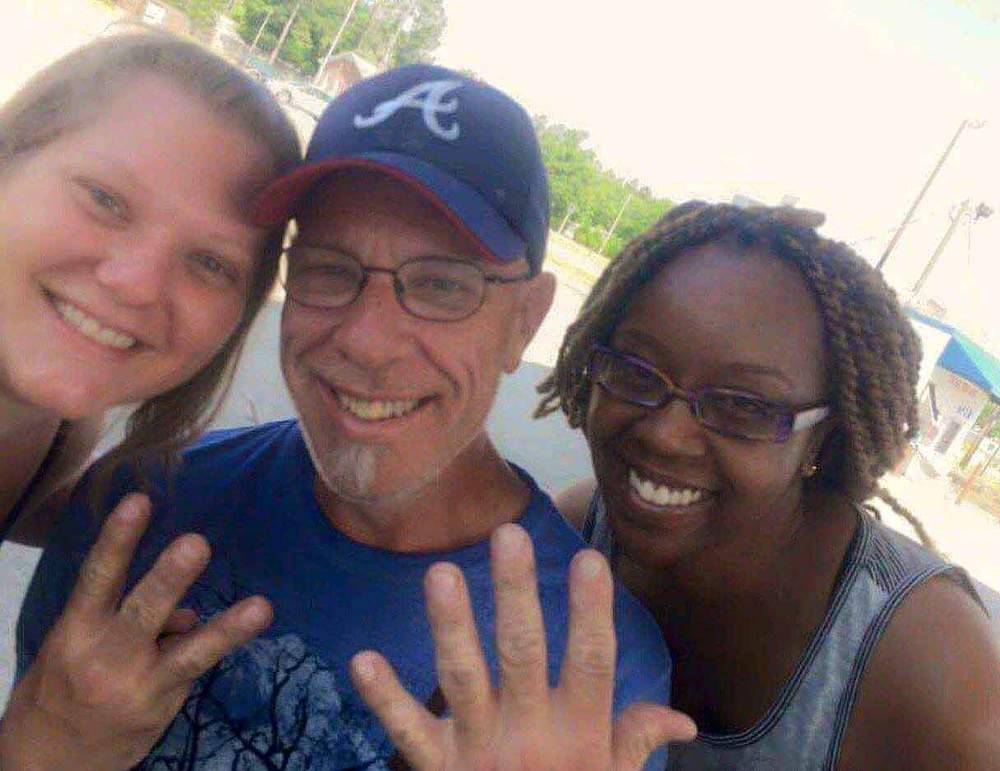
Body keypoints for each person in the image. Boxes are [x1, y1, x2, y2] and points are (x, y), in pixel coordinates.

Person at [17, 64, 692, 771]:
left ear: (526, 320)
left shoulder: (591, 671)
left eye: (440, 284)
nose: (366, 341)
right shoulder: (141, 508)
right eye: (329, 269)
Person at [532, 202, 1000, 769]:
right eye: (635, 373)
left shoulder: (927, 667)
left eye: (743, 406)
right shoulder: (581, 534)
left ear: (822, 440)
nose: (667, 435)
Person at [0, 31, 301, 770]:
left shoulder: (54, 431)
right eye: (105, 198)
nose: (137, 282)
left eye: (209, 262)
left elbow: (77, 510)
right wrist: (45, 749)